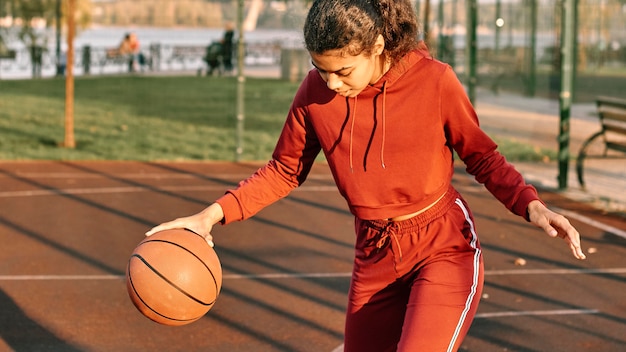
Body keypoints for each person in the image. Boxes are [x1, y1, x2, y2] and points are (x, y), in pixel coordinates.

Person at [146, 0, 586, 350]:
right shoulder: (314, 94)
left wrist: (530, 204)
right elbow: (283, 170)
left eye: (342, 70)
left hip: (442, 246)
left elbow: (482, 156)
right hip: (374, 253)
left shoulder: (435, 82)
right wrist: (209, 217)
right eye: (322, 69)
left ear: (376, 45)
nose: (332, 83)